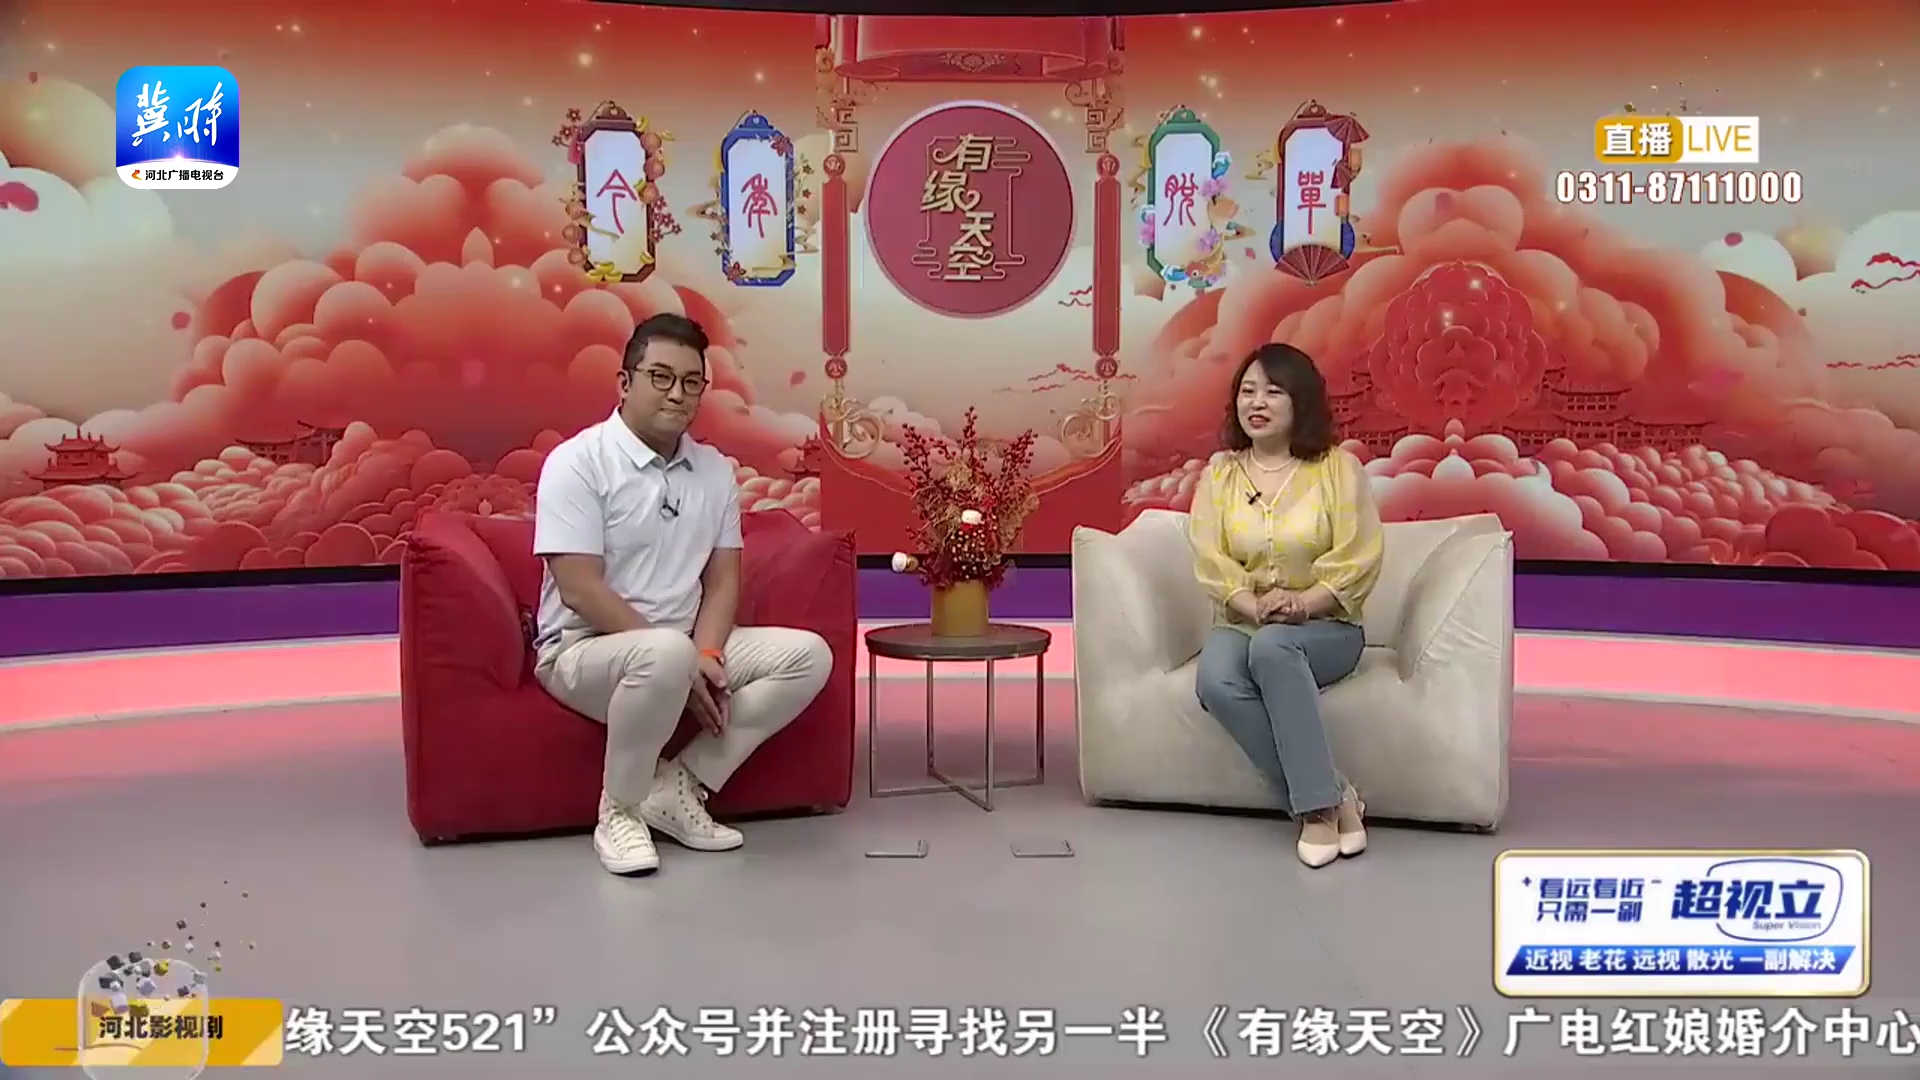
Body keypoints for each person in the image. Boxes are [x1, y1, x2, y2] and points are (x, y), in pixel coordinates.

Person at [532, 313, 833, 876]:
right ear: (625, 383)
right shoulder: (578, 462)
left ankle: (680, 786)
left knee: (808, 656)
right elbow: (578, 588)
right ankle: (619, 812)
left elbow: (722, 580)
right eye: (661, 377)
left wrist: (708, 653)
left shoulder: (713, 470)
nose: (678, 393)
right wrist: (678, 658)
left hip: (684, 646)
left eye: (692, 381)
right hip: (583, 650)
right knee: (665, 654)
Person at [1189, 343, 1385, 868]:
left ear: (1301, 402)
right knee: (1216, 681)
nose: (1257, 403)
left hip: (1328, 625)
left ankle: (1316, 813)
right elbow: (1209, 557)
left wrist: (1303, 603)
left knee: (1275, 648)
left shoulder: (1338, 469)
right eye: (1247, 391)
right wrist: (1250, 605)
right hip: (1242, 620)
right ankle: (1334, 795)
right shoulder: (1220, 475)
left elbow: (1360, 556)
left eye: (1273, 392)